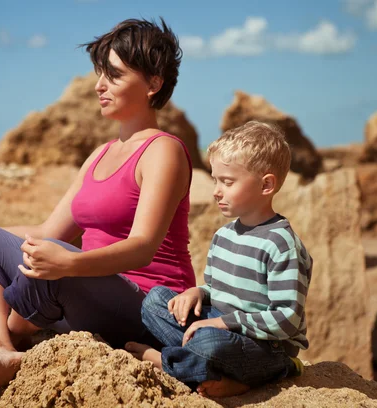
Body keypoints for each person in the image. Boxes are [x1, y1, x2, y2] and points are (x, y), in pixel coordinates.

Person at [0, 18, 197, 400]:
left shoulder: (163, 151)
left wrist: (68, 264)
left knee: (54, 265)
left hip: (147, 306)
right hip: (87, 290)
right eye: (99, 74)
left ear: (154, 83)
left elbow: (143, 245)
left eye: (115, 75)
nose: (99, 86)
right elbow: (46, 232)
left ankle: (0, 336)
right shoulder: (100, 155)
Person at [126, 121, 313, 398]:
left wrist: (222, 324)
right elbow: (217, 291)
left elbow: (286, 319)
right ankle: (213, 370)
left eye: (227, 182)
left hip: (266, 344)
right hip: (221, 325)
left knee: (209, 342)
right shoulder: (224, 235)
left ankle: (168, 362)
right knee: (154, 302)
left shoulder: (281, 244)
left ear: (266, 185)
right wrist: (197, 292)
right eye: (215, 180)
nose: (216, 190)